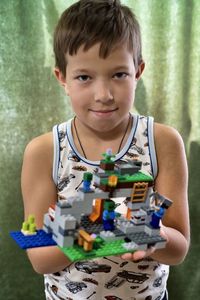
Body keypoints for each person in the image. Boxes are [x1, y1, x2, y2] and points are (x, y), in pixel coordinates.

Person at [21, 0, 190, 299]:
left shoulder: (164, 142)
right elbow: (39, 257)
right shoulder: (42, 151)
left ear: (138, 71)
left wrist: (157, 236)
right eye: (84, 77)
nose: (104, 95)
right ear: (62, 78)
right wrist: (91, 232)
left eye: (119, 74)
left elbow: (179, 248)